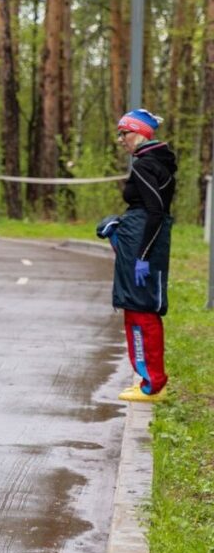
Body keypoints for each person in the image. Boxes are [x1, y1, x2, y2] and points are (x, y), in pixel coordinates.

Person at [103, 109, 176, 403]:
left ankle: (152, 384)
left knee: (140, 311)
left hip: (145, 246)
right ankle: (150, 381)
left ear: (142, 133)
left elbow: (155, 211)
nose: (122, 139)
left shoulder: (146, 165)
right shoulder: (153, 161)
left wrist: (142, 255)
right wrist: (118, 229)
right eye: (120, 134)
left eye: (126, 133)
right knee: (138, 308)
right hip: (140, 242)